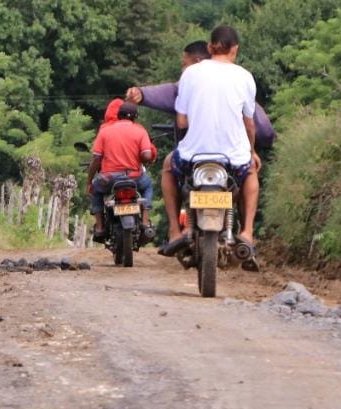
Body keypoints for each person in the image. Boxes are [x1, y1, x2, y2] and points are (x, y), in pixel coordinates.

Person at [160, 25, 261, 271]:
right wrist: (252, 151)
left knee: (166, 167)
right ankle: (247, 232)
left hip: (193, 156)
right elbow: (249, 124)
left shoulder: (191, 74)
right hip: (233, 158)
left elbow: (181, 120)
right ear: (235, 49)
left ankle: (174, 231)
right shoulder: (245, 76)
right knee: (250, 172)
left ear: (209, 47)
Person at [125, 40, 275, 149]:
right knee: (250, 175)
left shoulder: (186, 88)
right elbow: (263, 128)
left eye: (184, 64)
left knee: (169, 168)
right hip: (232, 155)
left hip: (194, 154)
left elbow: (169, 93)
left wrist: (141, 94)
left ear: (197, 62)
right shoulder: (235, 85)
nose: (183, 70)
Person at [87, 101, 157, 244]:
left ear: (117, 115)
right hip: (134, 178)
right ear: (135, 117)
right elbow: (147, 156)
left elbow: (96, 159)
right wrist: (142, 157)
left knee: (96, 191)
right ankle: (144, 220)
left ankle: (100, 227)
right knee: (148, 185)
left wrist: (89, 182)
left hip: (109, 178)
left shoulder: (105, 131)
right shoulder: (140, 131)